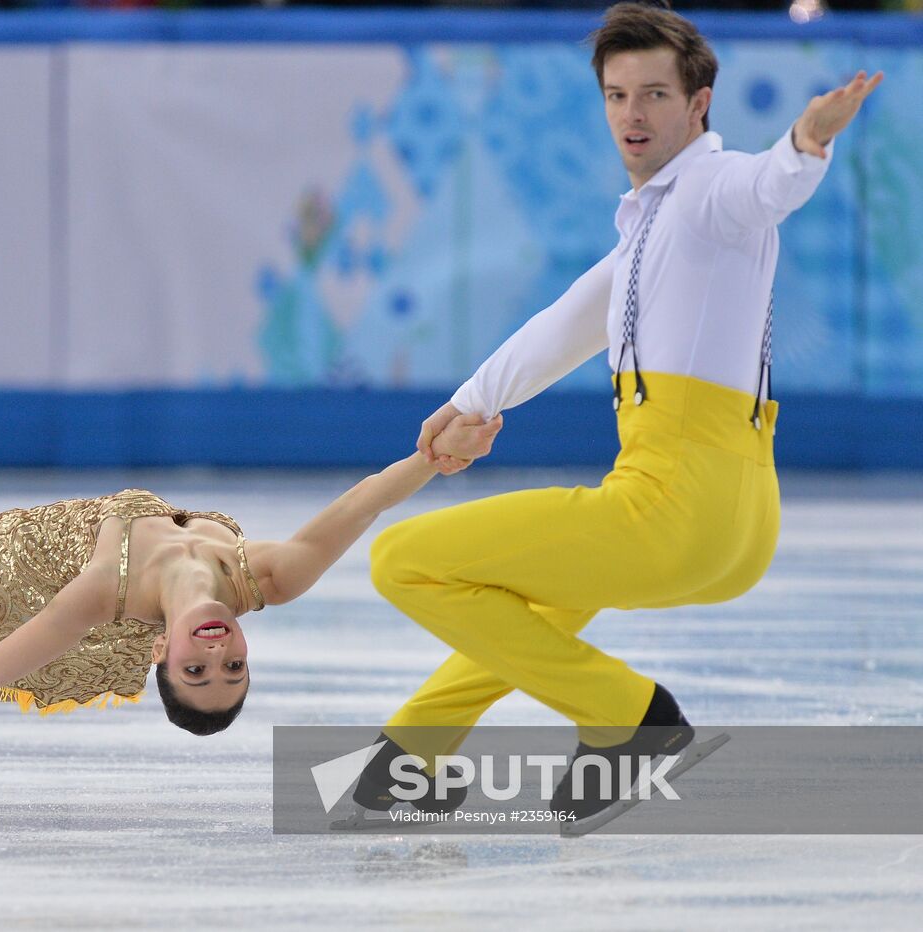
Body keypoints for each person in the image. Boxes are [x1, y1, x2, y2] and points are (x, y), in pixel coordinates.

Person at [356, 1, 883, 820]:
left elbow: (764, 185)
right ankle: (413, 753)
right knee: (528, 603)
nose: (632, 116)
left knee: (403, 560)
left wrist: (806, 143)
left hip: (672, 508)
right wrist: (471, 403)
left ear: (699, 103)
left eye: (654, 95)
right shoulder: (650, 226)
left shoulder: (710, 188)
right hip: (736, 523)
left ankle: (633, 719)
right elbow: (565, 324)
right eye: (615, 96)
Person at [0, 417, 502, 797]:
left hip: (56, 621)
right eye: (233, 667)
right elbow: (362, 504)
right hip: (35, 562)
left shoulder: (109, 591)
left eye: (198, 672)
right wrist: (437, 455)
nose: (216, 652)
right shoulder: (270, 576)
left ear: (161, 660)